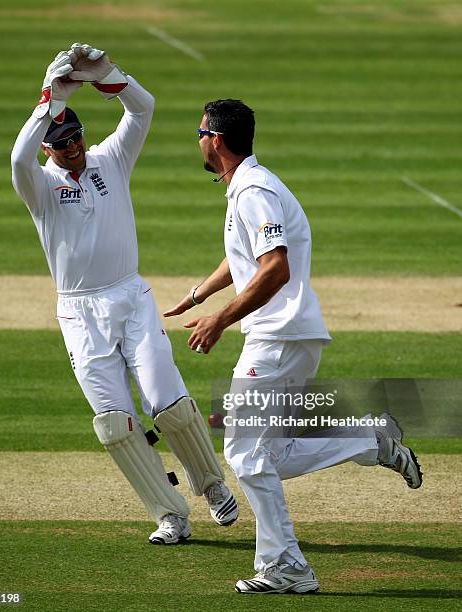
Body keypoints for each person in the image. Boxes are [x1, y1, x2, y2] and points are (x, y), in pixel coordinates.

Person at [164, 99, 423, 592]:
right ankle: (372, 440)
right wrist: (200, 293)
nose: (196, 140)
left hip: (277, 337)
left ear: (216, 140)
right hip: (286, 336)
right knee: (270, 455)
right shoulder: (245, 188)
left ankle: (286, 568)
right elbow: (243, 255)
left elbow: (275, 267)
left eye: (199, 132)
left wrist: (220, 319)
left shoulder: (255, 190)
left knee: (246, 456)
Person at [10, 44, 238, 545]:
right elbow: (16, 157)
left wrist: (107, 76)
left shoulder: (110, 159)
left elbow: (144, 108)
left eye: (74, 134)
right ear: (48, 146)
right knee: (114, 424)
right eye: (59, 140)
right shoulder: (40, 187)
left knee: (168, 403)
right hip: (79, 311)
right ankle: (169, 514)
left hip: (131, 298)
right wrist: (47, 100)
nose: (71, 145)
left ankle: (213, 484)